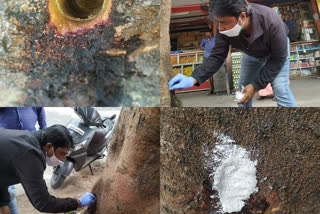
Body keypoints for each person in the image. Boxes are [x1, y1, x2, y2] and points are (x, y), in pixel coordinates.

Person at [168, 0, 297, 107]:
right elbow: (217, 56)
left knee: (280, 89)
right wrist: (194, 78)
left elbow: (278, 59)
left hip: (275, 54)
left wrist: (256, 85)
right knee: (242, 92)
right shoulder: (222, 29)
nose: (220, 28)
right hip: (251, 54)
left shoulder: (272, 21)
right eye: (217, 22)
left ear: (242, 16)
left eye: (223, 22)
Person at [0, 125, 96, 214]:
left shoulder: (29, 138)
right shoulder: (30, 155)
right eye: (62, 153)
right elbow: (43, 203)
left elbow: (3, 172)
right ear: (49, 146)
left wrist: (3, 203)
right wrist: (77, 203)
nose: (63, 159)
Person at [0, 107, 47, 214]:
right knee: (8, 191)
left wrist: (44, 131)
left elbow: (40, 108)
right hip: (8, 146)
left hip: (30, 142)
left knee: (33, 182)